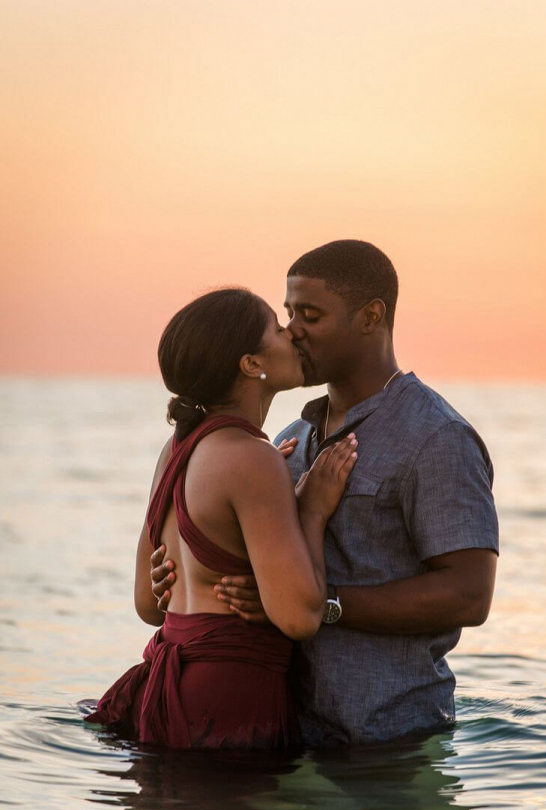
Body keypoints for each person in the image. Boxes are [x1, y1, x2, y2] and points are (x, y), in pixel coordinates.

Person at [152, 241, 499, 747]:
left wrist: (328, 605)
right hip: (279, 734)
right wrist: (178, 576)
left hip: (384, 737)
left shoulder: (435, 437)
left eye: (309, 315)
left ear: (370, 317)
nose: (292, 329)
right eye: (288, 313)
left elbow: (470, 594)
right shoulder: (288, 440)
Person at [84, 287, 358, 750]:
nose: (291, 333)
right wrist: (310, 510)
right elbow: (299, 618)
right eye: (277, 326)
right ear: (251, 364)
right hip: (229, 700)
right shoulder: (252, 459)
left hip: (171, 691)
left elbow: (149, 606)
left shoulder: (175, 451)